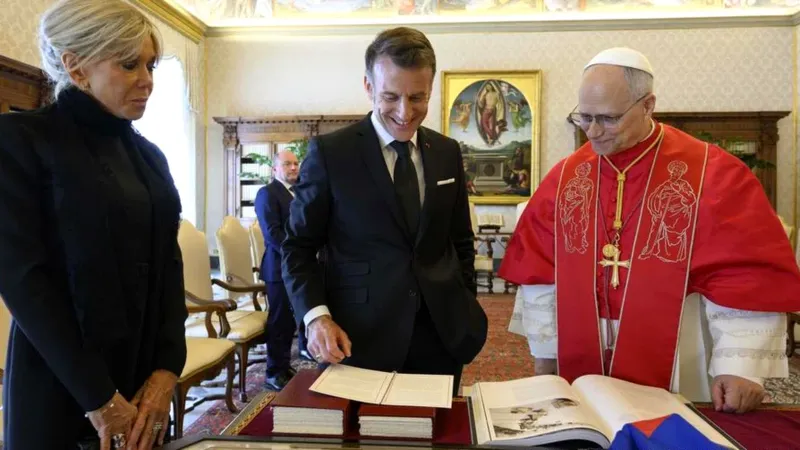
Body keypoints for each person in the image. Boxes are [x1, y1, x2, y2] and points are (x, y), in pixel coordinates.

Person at [500, 47, 800, 414]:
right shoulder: (565, 178)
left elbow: (745, 275)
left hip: (679, 350)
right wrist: (546, 356)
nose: (593, 132)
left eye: (608, 119)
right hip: (581, 352)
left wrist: (740, 367)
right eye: (585, 117)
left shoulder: (712, 172)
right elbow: (540, 272)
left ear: (647, 105)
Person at [0, 0, 188, 448]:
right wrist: (100, 398)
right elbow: (24, 281)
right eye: (129, 65)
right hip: (61, 380)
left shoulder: (150, 156)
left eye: (150, 64)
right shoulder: (21, 140)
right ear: (76, 66)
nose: (147, 80)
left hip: (144, 380)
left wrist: (165, 372)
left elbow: (169, 267)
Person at [281, 26, 488, 395]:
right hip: (358, 338)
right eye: (391, 96)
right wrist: (316, 318)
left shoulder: (447, 153)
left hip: (441, 337)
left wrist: (463, 301)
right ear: (368, 86)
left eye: (417, 97)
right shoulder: (331, 154)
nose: (405, 112)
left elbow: (460, 240)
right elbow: (297, 248)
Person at [254, 150, 311, 391]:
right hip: (278, 269)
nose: (293, 168)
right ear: (275, 169)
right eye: (287, 164)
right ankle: (273, 372)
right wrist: (296, 252)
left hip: (295, 267)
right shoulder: (267, 193)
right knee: (278, 322)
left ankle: (285, 366)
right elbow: (273, 233)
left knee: (290, 322)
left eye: (296, 163)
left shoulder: (297, 194)